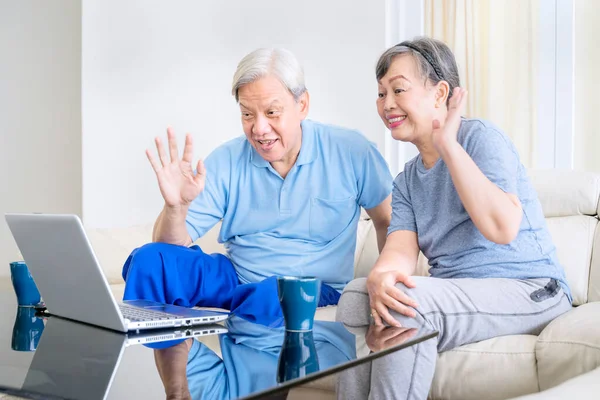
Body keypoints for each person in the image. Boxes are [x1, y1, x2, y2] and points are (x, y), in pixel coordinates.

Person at [122, 47, 393, 399]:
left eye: (271, 112)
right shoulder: (228, 159)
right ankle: (177, 393)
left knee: (272, 296)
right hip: (237, 278)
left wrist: (386, 286)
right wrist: (177, 207)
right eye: (247, 114)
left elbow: (388, 222)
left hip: (310, 286)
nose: (259, 128)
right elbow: (169, 247)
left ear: (303, 105)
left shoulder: (352, 152)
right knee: (149, 260)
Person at [335, 37, 572, 400]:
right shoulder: (407, 181)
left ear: (440, 93)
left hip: (531, 288)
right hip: (462, 294)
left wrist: (448, 144)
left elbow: (502, 227)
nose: (387, 104)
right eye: (381, 93)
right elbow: (399, 254)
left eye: (398, 89)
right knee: (355, 296)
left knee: (408, 305)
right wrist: (381, 277)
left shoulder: (481, 139)